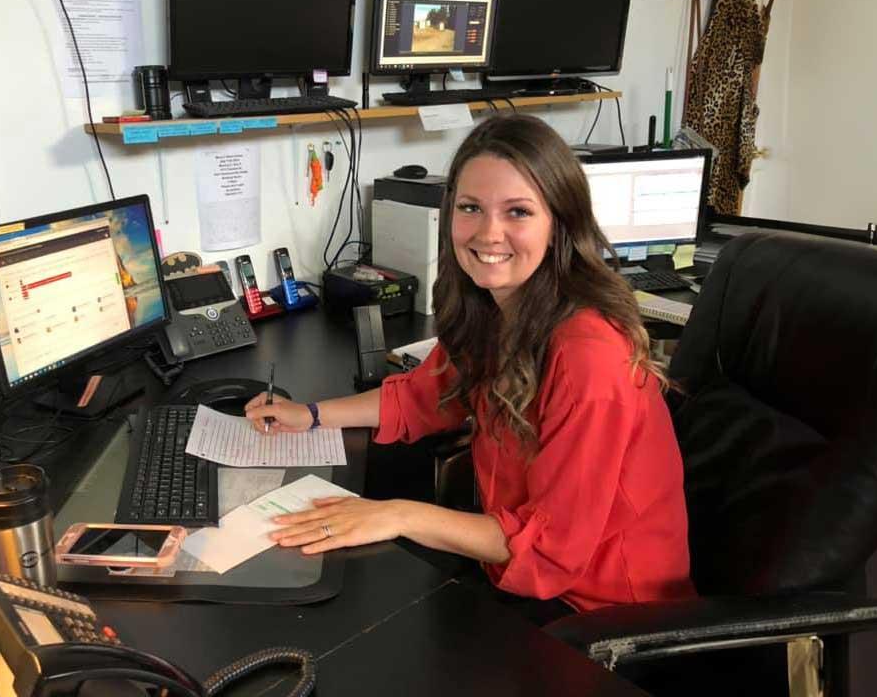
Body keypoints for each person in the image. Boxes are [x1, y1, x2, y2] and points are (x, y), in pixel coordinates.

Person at [244, 114, 694, 617]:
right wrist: (309, 414)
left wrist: (397, 515)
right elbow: (424, 394)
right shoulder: (498, 308)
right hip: (516, 570)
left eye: (518, 212)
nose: (488, 233)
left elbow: (552, 549)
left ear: (560, 223)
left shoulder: (589, 353)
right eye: (471, 208)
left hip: (599, 613)